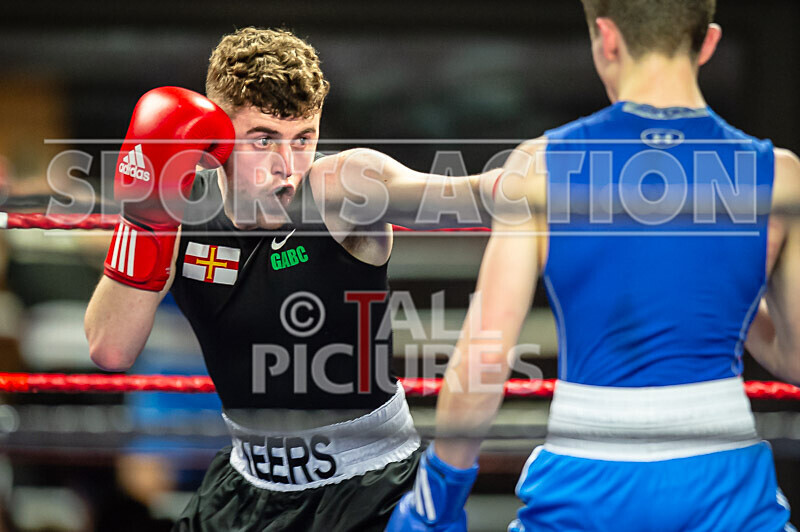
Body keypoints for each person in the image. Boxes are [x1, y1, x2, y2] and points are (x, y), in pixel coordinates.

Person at [388, 1, 800, 530]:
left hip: (586, 474)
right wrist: (719, 294)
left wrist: (434, 500)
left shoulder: (541, 166)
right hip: (723, 479)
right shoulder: (779, 175)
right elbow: (794, 356)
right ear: (708, 42)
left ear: (606, 38)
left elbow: (485, 359)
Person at [83, 28, 498, 532]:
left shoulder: (341, 188)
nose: (287, 167)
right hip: (245, 486)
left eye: (304, 139)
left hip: (371, 487)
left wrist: (546, 179)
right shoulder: (179, 204)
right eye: (264, 139)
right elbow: (110, 349)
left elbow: (466, 199)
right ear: (216, 134)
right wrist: (144, 221)